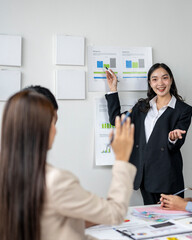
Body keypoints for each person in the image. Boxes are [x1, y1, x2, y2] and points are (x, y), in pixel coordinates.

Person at [0, 90, 136, 240]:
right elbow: (115, 213)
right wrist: (122, 159)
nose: (55, 130)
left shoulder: (8, 175)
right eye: (53, 122)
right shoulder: (56, 181)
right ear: (39, 129)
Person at [105, 63, 192, 204]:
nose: (160, 83)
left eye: (164, 78)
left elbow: (175, 146)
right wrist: (113, 89)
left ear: (171, 80)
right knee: (151, 221)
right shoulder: (142, 107)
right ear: (150, 83)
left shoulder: (183, 110)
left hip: (167, 176)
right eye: (155, 79)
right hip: (145, 175)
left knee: (171, 222)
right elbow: (116, 120)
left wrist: (172, 139)